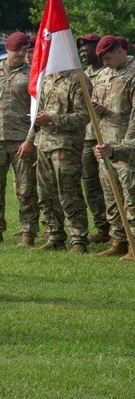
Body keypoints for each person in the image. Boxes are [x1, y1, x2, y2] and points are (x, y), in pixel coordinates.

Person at [20, 58, 91, 253]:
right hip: (43, 145)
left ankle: (78, 240)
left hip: (66, 147)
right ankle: (54, 236)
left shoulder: (78, 80)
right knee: (46, 194)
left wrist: (53, 119)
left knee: (69, 193)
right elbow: (37, 115)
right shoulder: (47, 79)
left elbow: (84, 115)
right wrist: (29, 139)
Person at [0, 32, 38, 245]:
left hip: (22, 140)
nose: (22, 54)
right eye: (17, 49)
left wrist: (30, 139)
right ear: (8, 49)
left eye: (25, 50)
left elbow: (39, 110)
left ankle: (28, 232)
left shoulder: (32, 74)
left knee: (25, 189)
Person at [88, 36, 135, 258]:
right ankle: (118, 241)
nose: (105, 63)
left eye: (107, 58)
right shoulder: (103, 75)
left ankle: (133, 243)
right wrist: (98, 108)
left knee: (130, 196)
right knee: (111, 197)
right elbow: (96, 100)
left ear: (119, 51)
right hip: (105, 143)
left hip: (126, 146)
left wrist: (126, 146)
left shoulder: (133, 73)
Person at [76, 33, 110, 243]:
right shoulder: (83, 75)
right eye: (80, 52)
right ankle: (102, 227)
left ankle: (119, 229)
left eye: (86, 50)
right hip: (87, 136)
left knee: (109, 183)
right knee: (90, 184)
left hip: (107, 137)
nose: (83, 55)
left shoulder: (111, 72)